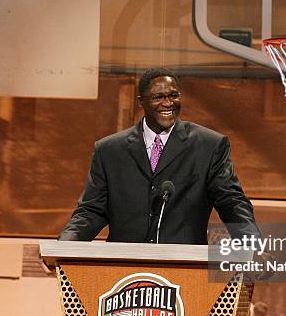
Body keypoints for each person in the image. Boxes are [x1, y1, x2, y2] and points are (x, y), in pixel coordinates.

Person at [59, 68, 259, 244]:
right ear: (141, 102)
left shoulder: (209, 146)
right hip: (124, 270)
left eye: (173, 95)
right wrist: (64, 244)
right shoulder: (110, 150)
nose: (167, 103)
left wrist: (252, 244)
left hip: (184, 269)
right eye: (158, 97)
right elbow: (91, 211)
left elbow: (231, 202)